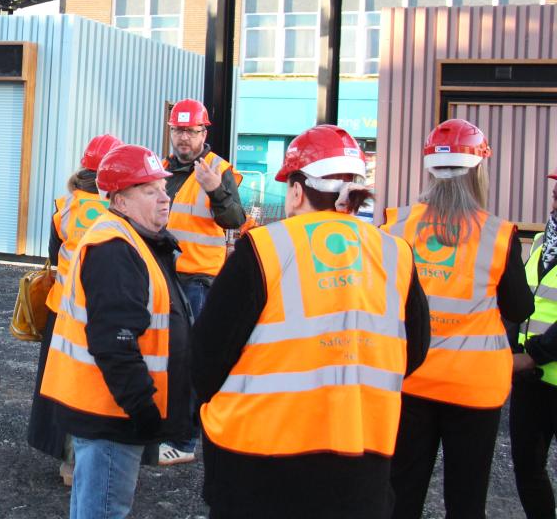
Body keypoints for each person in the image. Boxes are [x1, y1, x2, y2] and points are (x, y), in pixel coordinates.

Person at [193, 124, 431, 519]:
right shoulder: (395, 254)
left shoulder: (264, 249)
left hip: (258, 470)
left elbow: (205, 360)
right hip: (360, 467)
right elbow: (415, 351)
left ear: (298, 190)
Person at [383, 119, 532, 519]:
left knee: (401, 493)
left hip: (409, 378)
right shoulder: (498, 235)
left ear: (429, 169)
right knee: (466, 501)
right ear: (479, 169)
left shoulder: (395, 226)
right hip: (473, 389)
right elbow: (520, 309)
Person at [40, 143, 191, 519]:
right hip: (112, 413)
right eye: (149, 190)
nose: (164, 198)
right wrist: (143, 409)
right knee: (104, 510)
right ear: (120, 200)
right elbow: (116, 343)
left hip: (110, 409)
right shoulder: (115, 248)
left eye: (163, 188)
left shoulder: (133, 241)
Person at [27, 134, 122, 485]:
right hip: (100, 312)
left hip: (62, 311)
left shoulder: (65, 206)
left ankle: (66, 462)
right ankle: (87, 461)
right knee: (94, 387)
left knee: (61, 384)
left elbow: (55, 258)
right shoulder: (119, 208)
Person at [159, 98, 247, 465]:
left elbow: (234, 219)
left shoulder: (217, 170)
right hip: (165, 275)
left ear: (203, 132)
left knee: (190, 360)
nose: (183, 139)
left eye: (190, 131)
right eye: (178, 130)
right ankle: (168, 430)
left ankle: (185, 440)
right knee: (163, 356)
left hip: (197, 281)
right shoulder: (161, 168)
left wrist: (216, 189)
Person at [511, 164, 557, 518]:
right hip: (531, 380)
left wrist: (533, 356)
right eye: (555, 190)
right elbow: (524, 304)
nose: (554, 197)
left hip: (539, 365)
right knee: (527, 467)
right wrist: (513, 351)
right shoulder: (543, 241)